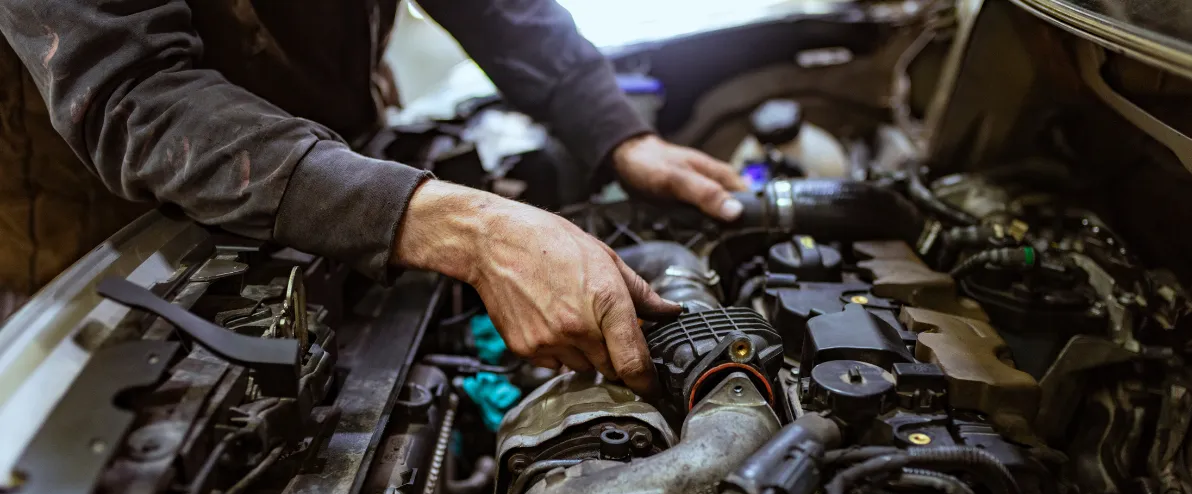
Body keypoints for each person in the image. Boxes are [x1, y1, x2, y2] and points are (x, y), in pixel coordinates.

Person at [0, 0, 747, 393]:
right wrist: (474, 231)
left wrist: (615, 132)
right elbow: (137, 94)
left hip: (341, 159)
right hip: (111, 246)